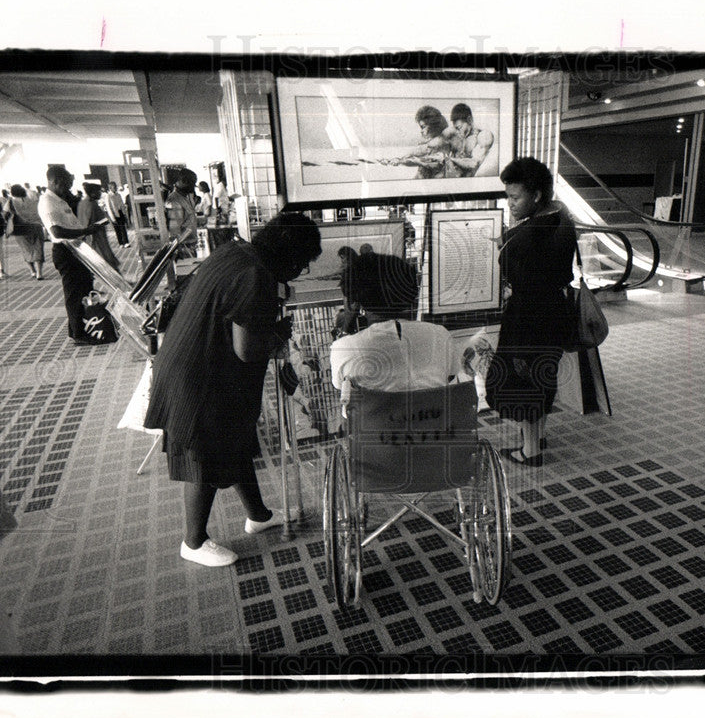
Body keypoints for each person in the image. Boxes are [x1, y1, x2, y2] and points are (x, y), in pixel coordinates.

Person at [144, 213, 322, 567]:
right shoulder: (255, 276)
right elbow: (248, 349)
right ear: (287, 253)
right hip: (199, 375)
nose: (298, 271)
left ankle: (258, 514)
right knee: (205, 456)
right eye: (301, 264)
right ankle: (193, 541)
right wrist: (278, 335)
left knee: (236, 442)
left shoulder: (236, 253)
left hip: (191, 359)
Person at [485, 157, 577, 467]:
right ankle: (536, 439)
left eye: (514, 197)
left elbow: (513, 269)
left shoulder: (528, 235)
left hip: (528, 317)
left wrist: (505, 245)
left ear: (535, 195)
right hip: (554, 312)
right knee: (542, 378)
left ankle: (530, 452)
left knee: (523, 381)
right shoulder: (560, 215)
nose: (509, 203)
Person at [329, 247, 465, 402]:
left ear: (354, 301)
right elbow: (451, 373)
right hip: (437, 421)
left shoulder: (343, 348)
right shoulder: (440, 334)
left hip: (378, 424)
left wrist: (346, 326)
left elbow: (339, 384)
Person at [37, 165, 100, 344]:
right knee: (74, 294)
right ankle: (78, 334)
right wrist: (87, 230)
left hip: (75, 249)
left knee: (85, 290)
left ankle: (85, 327)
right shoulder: (48, 202)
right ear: (54, 181)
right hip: (65, 251)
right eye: (66, 184)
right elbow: (56, 232)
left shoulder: (59, 200)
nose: (69, 188)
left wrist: (84, 231)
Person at [383, 105, 462, 179]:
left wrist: (400, 161)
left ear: (433, 126)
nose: (421, 131)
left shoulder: (440, 142)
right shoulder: (433, 142)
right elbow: (417, 152)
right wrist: (399, 159)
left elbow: (423, 156)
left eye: (423, 127)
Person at [5, 184, 46, 280]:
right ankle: (39, 273)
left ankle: (32, 271)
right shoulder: (32, 199)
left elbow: (5, 213)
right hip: (36, 226)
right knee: (38, 249)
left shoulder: (10, 202)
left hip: (21, 229)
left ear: (12, 192)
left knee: (26, 250)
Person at [77, 183, 121, 271]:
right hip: (95, 238)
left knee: (106, 260)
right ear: (93, 193)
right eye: (99, 191)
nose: (100, 193)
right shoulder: (90, 204)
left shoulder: (84, 202)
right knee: (105, 261)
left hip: (95, 236)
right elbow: (88, 222)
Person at [448, 103, 496, 177]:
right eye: (455, 129)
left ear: (469, 120)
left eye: (459, 128)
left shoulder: (483, 136)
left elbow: (474, 164)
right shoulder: (457, 138)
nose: (457, 132)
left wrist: (451, 159)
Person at [165, 168, 202, 257]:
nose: (193, 187)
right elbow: (174, 230)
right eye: (191, 184)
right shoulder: (174, 200)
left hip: (191, 245)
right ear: (181, 182)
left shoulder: (186, 196)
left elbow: (188, 218)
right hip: (183, 248)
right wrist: (180, 250)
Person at [104, 181, 130, 248]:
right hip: (114, 214)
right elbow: (109, 207)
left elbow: (121, 204)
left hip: (120, 212)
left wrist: (124, 213)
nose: (115, 188)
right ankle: (121, 243)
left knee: (123, 228)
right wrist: (112, 217)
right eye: (114, 187)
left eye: (115, 186)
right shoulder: (108, 196)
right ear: (110, 188)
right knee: (117, 229)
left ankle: (126, 242)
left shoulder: (118, 195)